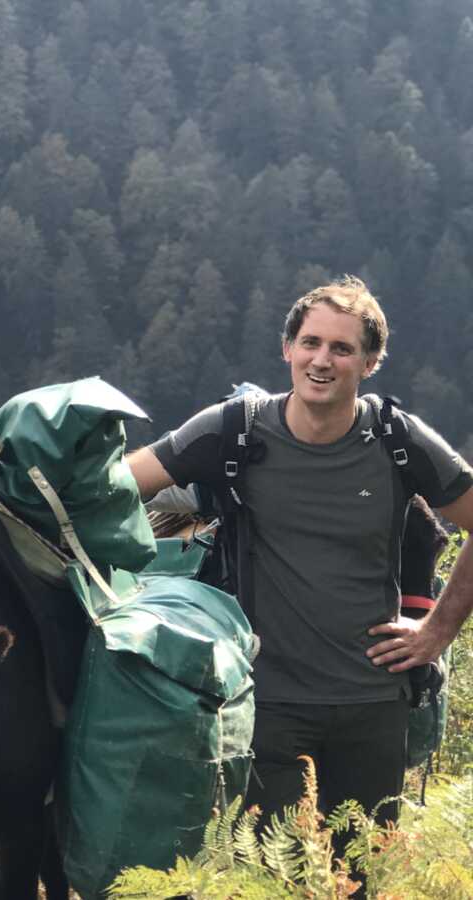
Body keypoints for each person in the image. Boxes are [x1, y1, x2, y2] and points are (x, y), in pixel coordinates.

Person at [126, 276, 473, 833]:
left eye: (342, 348)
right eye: (310, 343)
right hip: (266, 706)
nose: (322, 360)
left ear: (369, 362)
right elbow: (122, 486)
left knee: (353, 882)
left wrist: (436, 631)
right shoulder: (232, 430)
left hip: (372, 706)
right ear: (287, 349)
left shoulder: (395, 439)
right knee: (276, 879)